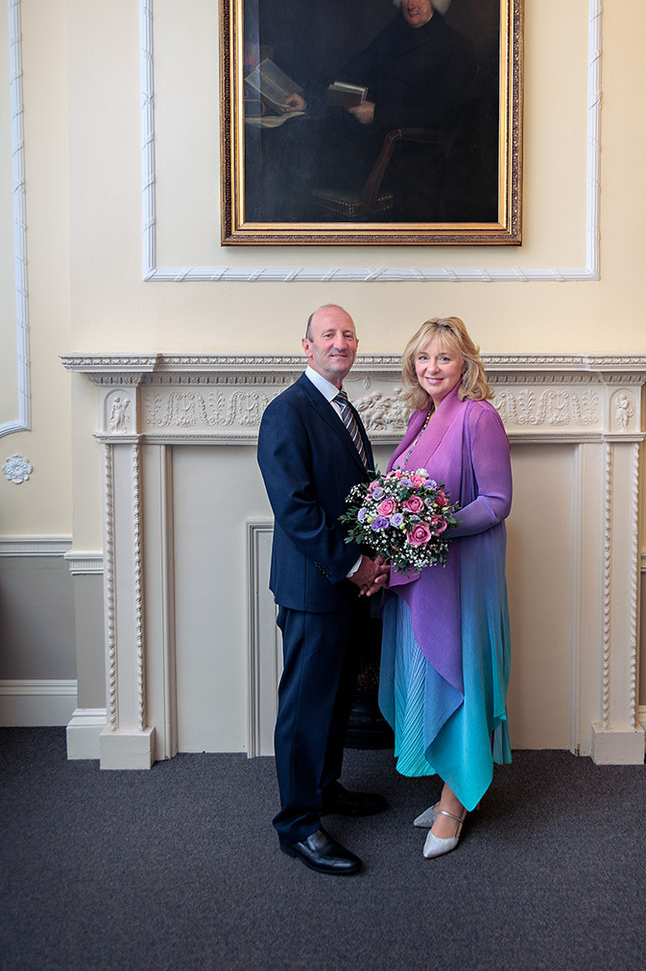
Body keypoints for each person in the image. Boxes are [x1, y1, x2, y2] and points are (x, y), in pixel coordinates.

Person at [257, 304, 389, 876]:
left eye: (349, 335)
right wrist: (352, 565)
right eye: (329, 335)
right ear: (305, 346)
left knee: (335, 699)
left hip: (348, 584)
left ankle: (325, 788)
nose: (341, 343)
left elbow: (358, 493)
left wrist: (380, 553)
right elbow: (295, 510)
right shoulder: (287, 412)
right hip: (315, 586)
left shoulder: (344, 408)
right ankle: (298, 825)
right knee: (305, 706)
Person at [378, 316, 513, 859]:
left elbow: (498, 502)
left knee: (458, 678)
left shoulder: (479, 417)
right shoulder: (420, 418)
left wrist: (436, 523)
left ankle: (454, 806)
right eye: (424, 357)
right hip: (422, 575)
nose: (432, 367)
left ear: (465, 365)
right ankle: (446, 789)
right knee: (428, 678)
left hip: (463, 575)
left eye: (445, 358)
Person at [315, 0, 477, 219]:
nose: (411, 4)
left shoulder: (455, 47)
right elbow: (354, 68)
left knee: (311, 166)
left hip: (411, 158)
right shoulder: (394, 32)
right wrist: (309, 96)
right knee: (305, 145)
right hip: (368, 142)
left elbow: (445, 115)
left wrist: (378, 114)